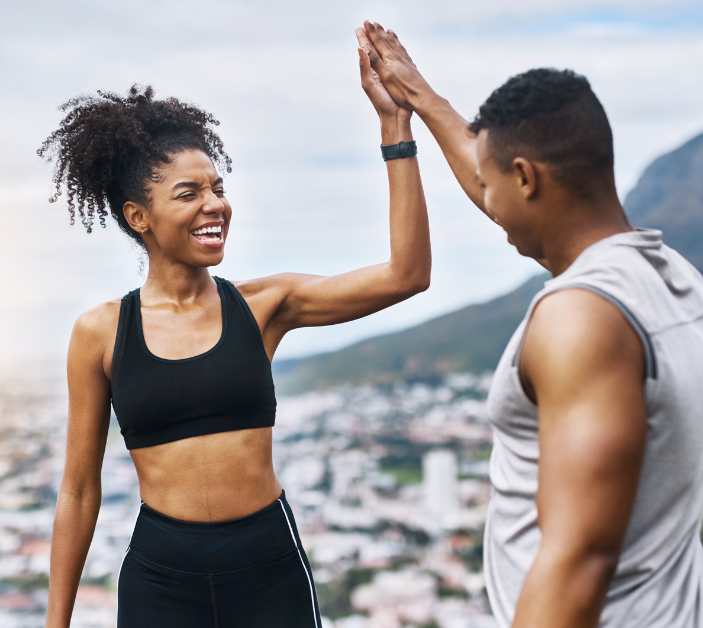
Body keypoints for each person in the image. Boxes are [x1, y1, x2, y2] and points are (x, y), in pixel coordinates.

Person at [39, 48, 430, 628]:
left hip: (268, 566)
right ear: (138, 216)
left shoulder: (264, 306)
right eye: (188, 192)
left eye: (217, 187)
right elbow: (77, 491)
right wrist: (56, 622)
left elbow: (408, 274)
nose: (214, 204)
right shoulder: (99, 333)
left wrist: (395, 127)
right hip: (161, 580)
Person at [356, 22, 703, 628]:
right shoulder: (669, 275)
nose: (487, 200)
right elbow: (494, 175)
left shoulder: (581, 318)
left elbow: (580, 559)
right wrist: (418, 96)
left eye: (493, 185)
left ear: (527, 179)